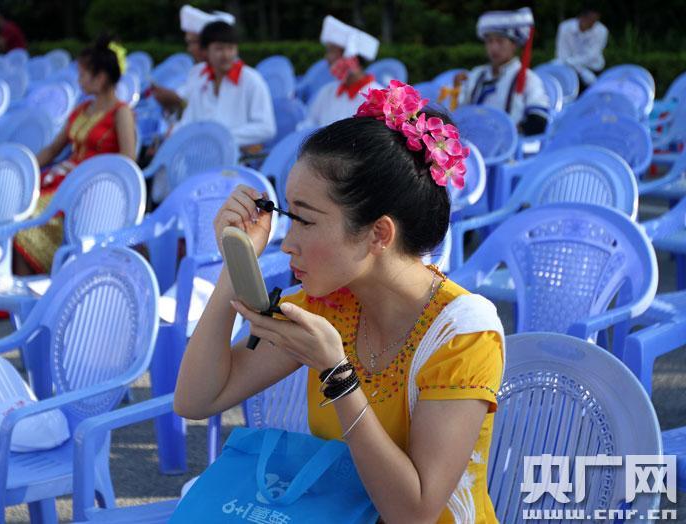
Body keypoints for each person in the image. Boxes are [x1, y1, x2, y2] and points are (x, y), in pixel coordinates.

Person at [175, 82, 505, 523]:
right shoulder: (330, 305)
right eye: (289, 217)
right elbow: (197, 400)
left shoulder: (463, 333)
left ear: (378, 234)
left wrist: (337, 375)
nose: (287, 243)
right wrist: (234, 266)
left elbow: (414, 513)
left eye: (305, 220)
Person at [13, 36, 136, 275]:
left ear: (100, 78)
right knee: (14, 207)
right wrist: (24, 170)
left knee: (26, 223)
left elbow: (127, 162)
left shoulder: (121, 113)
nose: (79, 80)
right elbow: (52, 150)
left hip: (90, 190)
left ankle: (34, 296)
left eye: (83, 74)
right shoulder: (82, 109)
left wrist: (99, 184)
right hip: (61, 180)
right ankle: (14, 299)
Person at [174, 21, 275, 151]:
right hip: (200, 154)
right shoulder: (201, 80)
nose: (226, 55)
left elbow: (266, 128)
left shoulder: (252, 80)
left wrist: (221, 137)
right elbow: (188, 122)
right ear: (205, 51)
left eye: (231, 48)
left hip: (239, 158)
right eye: (219, 48)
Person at [457, 7, 549, 136]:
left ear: (514, 45)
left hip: (508, 149)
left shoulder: (528, 78)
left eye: (500, 41)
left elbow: (539, 120)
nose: (494, 47)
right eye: (489, 41)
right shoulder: (476, 75)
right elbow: (460, 112)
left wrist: (506, 132)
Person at [147, 5, 236, 114]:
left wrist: (179, 102)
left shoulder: (247, 79)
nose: (189, 49)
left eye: (192, 42)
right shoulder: (197, 73)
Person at [299, 15, 382, 129]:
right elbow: (307, 126)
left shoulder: (376, 98)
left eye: (331, 51)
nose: (327, 58)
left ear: (349, 55)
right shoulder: (327, 92)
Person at [555, 4, 608, 91]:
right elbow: (561, 53)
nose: (593, 23)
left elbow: (592, 55)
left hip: (593, 69)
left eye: (596, 20)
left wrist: (572, 63)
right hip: (568, 68)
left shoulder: (601, 30)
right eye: (591, 20)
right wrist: (580, 70)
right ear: (582, 17)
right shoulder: (565, 27)